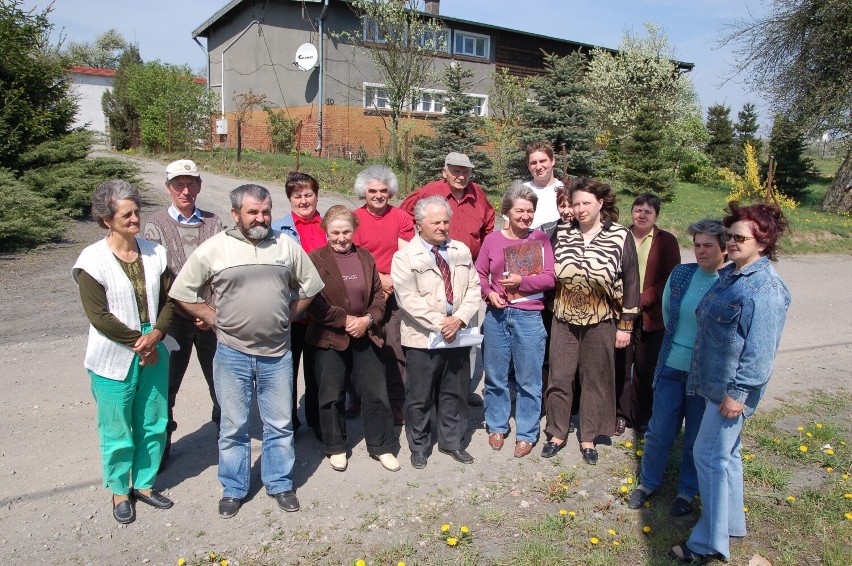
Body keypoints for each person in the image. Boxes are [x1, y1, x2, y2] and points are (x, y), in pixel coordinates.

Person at [170, 184, 324, 518]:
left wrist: (291, 313)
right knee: (233, 425)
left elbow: (311, 286)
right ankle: (234, 487)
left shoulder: (286, 245)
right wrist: (211, 316)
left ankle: (280, 483)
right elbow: (182, 290)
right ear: (235, 213)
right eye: (253, 211)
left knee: (280, 424)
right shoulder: (216, 248)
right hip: (232, 353)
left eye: (266, 211)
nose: (261, 218)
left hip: (277, 353)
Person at [670, 203, 791, 564]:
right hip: (712, 383)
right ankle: (732, 524)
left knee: (708, 456)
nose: (732, 242)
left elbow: (760, 353)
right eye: (730, 236)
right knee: (727, 456)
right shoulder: (731, 275)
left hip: (730, 391)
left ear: (764, 242)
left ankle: (708, 542)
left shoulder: (765, 289)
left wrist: (739, 394)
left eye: (740, 237)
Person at [73, 180, 175, 524]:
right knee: (117, 427)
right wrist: (139, 341)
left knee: (153, 420)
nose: (135, 219)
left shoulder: (154, 252)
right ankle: (119, 490)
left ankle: (144, 485)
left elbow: (169, 300)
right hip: (113, 352)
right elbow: (98, 316)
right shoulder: (92, 260)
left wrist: (157, 333)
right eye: (126, 214)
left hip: (156, 345)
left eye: (137, 212)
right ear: (107, 220)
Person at [628, 219, 726, 517]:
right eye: (696, 245)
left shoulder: (730, 282)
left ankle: (687, 490)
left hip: (705, 374)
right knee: (659, 429)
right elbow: (670, 315)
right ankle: (648, 483)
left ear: (724, 247)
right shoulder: (682, 274)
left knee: (695, 436)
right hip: (672, 366)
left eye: (708, 245)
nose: (700, 251)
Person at [542, 177, 640, 465]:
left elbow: (632, 282)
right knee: (560, 377)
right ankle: (557, 432)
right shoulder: (561, 232)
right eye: (576, 203)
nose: (581, 209)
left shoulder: (621, 236)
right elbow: (545, 272)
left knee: (595, 379)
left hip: (602, 320)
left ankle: (589, 436)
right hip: (564, 318)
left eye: (586, 203)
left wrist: (626, 325)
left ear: (600, 204)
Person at [306, 206, 401, 473]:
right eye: (335, 232)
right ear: (326, 231)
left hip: (365, 333)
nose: (341, 237)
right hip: (329, 337)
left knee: (375, 392)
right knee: (331, 394)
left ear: (354, 231)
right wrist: (344, 320)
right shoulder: (315, 259)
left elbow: (378, 298)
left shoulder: (365, 257)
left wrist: (368, 320)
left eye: (346, 231)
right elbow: (312, 301)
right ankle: (335, 446)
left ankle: (382, 446)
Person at [143, 159, 223, 468]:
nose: (185, 190)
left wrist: (210, 311)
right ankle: (160, 448)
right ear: (169, 188)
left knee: (221, 382)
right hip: (174, 321)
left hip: (211, 319)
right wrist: (188, 309)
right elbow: (156, 278)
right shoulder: (155, 225)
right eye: (179, 184)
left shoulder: (214, 223)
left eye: (191, 183)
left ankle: (226, 440)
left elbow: (223, 271)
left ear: (200, 186)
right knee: (165, 385)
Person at [391, 196, 482, 469]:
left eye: (446, 221)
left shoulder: (461, 250)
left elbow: (474, 288)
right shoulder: (405, 256)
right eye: (436, 222)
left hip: (458, 335)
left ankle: (451, 442)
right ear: (419, 224)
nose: (443, 227)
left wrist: (460, 319)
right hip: (423, 338)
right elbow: (407, 299)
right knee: (420, 396)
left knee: (454, 391)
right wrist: (442, 323)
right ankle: (419, 445)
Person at [400, 151, 495, 407]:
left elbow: (488, 225)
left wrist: (480, 257)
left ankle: (460, 392)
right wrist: (415, 248)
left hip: (464, 270)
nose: (460, 176)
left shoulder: (478, 195)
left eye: (465, 171)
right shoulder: (430, 191)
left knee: (465, 332)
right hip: (431, 269)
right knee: (432, 332)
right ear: (445, 171)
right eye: (455, 170)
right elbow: (404, 216)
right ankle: (430, 392)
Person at [475, 182, 555, 458]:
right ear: (506, 212)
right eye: (520, 210)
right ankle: (497, 425)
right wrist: (488, 294)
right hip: (497, 315)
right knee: (495, 375)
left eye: (530, 211)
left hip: (529, 315)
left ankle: (526, 433)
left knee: (529, 379)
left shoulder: (539, 239)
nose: (526, 216)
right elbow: (480, 274)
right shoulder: (492, 240)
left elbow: (550, 277)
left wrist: (523, 280)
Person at [352, 165, 415, 425]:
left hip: (394, 290)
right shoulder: (353, 218)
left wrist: (390, 282)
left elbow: (406, 256)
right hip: (363, 289)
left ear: (390, 193)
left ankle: (397, 402)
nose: (378, 195)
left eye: (383, 191)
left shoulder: (401, 218)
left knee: (394, 347)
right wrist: (380, 279)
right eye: (372, 191)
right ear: (363, 193)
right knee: (360, 346)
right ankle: (356, 397)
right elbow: (350, 255)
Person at [615, 193, 681, 435]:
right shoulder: (620, 236)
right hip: (620, 313)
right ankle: (620, 414)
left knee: (645, 368)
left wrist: (640, 301)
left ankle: (642, 416)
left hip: (651, 315)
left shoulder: (666, 241)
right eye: (637, 209)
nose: (642, 215)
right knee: (621, 366)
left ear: (656, 216)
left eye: (648, 212)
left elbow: (670, 278)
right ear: (631, 212)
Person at [271, 172, 326, 434]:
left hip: (321, 313)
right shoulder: (279, 229)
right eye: (297, 196)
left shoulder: (328, 226)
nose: (304, 200)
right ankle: (288, 423)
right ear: (290, 198)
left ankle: (316, 421)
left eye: (308, 194)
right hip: (292, 312)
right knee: (286, 373)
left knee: (317, 372)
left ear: (316, 195)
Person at [524, 141, 564, 229]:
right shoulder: (521, 191)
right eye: (533, 163)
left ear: (553, 161)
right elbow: (508, 229)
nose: (538, 167)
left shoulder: (566, 190)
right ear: (528, 166)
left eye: (542, 161)